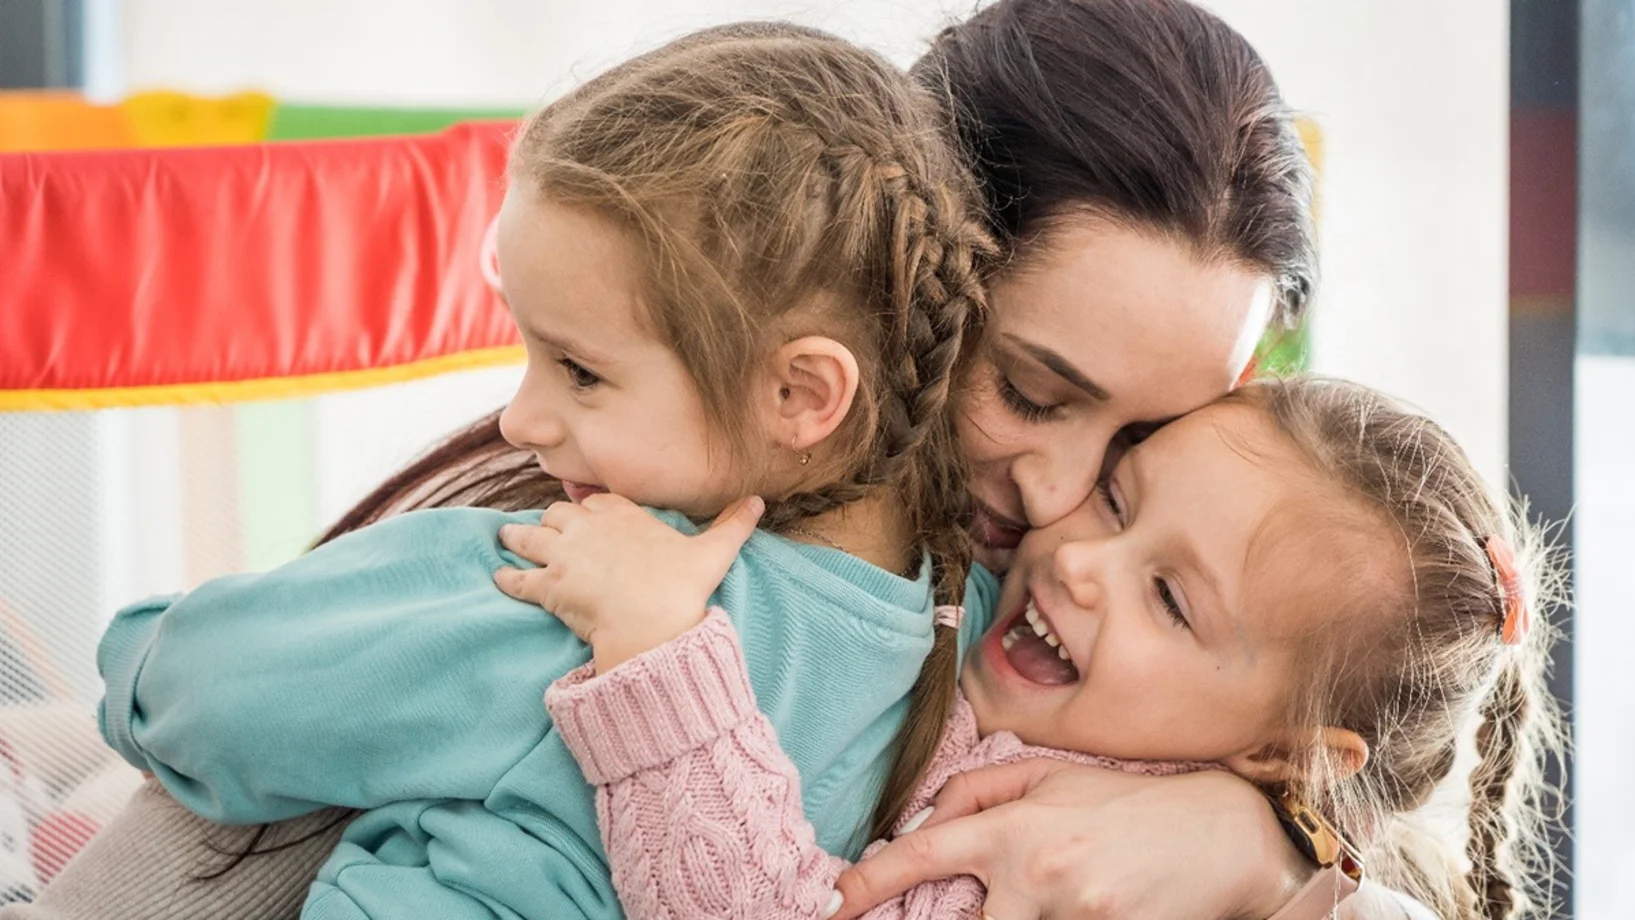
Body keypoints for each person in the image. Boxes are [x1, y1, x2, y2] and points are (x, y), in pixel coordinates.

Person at [14, 0, 1364, 917]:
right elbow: (198, 804)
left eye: (1140, 441)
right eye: (1025, 391)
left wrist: (1262, 844)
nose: (1065, 505)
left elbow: (1401, 773)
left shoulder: (1119, 656)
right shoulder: (601, 546)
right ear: (895, 296)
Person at [535, 378, 1562, 920]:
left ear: (1284, 753)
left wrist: (658, 654)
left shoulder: (1065, 861)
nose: (1081, 560)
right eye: (1118, 495)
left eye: (1168, 596)